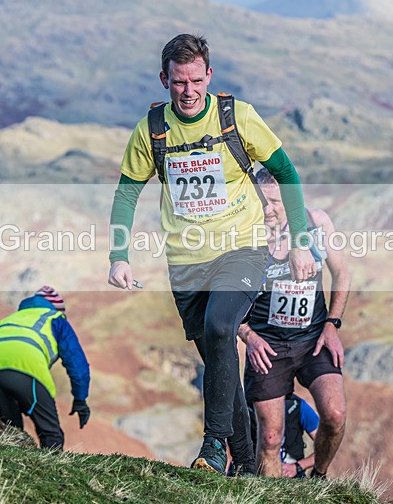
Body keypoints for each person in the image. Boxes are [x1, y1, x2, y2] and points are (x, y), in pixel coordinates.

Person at [107, 34, 316, 475]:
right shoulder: (153, 130)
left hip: (241, 248)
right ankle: (244, 465)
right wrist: (118, 256)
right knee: (220, 362)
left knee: (222, 325)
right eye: (179, 82)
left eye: (196, 81)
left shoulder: (236, 117)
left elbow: (286, 172)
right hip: (186, 264)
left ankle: (212, 446)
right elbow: (127, 193)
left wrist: (300, 241)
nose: (188, 91)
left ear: (210, 76)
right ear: (164, 79)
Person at [238, 168, 350, 478]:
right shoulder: (244, 235)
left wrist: (332, 325)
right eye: (261, 200)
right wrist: (249, 336)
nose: (266, 209)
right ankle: (270, 498)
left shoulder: (316, 222)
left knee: (335, 414)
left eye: (274, 201)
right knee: (271, 438)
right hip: (267, 347)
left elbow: (342, 272)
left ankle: (319, 477)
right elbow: (223, 303)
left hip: (314, 338)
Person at [0, 286, 91, 449]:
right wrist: (80, 399)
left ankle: (2, 471)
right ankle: (50, 473)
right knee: (51, 434)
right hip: (26, 368)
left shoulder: (9, 319)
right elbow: (77, 364)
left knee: (9, 432)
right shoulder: (56, 318)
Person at [234, 393, 319, 478]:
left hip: (294, 478)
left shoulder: (297, 405)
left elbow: (326, 446)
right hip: (253, 475)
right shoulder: (245, 405)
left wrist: (298, 467)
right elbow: (230, 446)